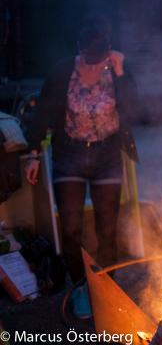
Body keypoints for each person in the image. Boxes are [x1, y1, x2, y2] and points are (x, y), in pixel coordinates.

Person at [24, 16, 139, 318]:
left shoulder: (115, 71)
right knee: (72, 228)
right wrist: (34, 154)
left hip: (107, 156)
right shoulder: (64, 71)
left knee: (107, 228)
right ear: (79, 49)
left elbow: (135, 110)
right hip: (70, 154)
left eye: (98, 58)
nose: (92, 65)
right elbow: (44, 114)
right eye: (88, 58)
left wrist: (121, 72)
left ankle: (105, 288)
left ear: (108, 50)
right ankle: (80, 286)